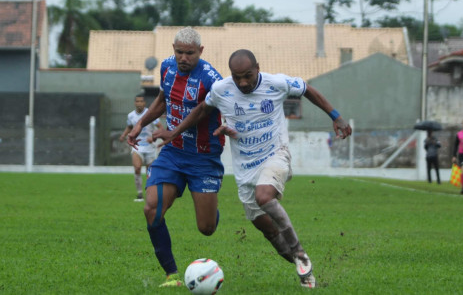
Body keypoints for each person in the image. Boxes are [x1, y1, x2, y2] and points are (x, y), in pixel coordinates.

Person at [155, 49, 352, 289]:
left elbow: (307, 89)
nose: (243, 82)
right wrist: (174, 131)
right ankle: (306, 274)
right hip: (245, 169)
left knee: (264, 196)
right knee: (267, 230)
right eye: (237, 77)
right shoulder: (221, 89)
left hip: (275, 155)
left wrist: (336, 116)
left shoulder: (276, 83)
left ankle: (300, 253)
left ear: (257, 67)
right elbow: (201, 110)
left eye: (248, 75)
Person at [126, 27, 224, 287]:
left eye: (189, 53)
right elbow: (162, 100)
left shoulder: (212, 79)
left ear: (200, 52)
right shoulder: (167, 68)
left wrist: (173, 130)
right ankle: (171, 275)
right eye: (179, 51)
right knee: (151, 208)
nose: (183, 57)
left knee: (207, 228)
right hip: (173, 151)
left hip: (203, 156)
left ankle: (211, 209)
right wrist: (140, 124)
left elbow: (203, 112)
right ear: (173, 49)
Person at [119, 94, 162, 202]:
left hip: (150, 147)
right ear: (135, 103)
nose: (139, 103)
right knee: (137, 168)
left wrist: (153, 137)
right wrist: (124, 135)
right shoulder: (131, 115)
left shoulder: (150, 114)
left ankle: (150, 193)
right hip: (137, 146)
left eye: (141, 101)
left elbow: (160, 127)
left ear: (144, 103)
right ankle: (139, 194)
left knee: (150, 172)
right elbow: (129, 127)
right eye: (137, 101)